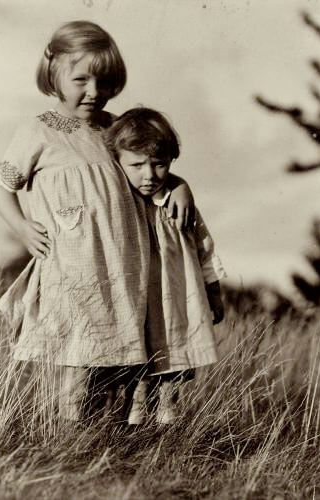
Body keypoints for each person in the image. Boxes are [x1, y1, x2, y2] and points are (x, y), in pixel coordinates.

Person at [0, 21, 195, 423]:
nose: (93, 92)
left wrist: (181, 184)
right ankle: (69, 438)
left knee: (120, 357)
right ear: (54, 74)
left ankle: (109, 440)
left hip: (123, 263)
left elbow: (150, 169)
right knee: (78, 354)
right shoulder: (39, 131)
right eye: (81, 79)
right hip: (73, 263)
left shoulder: (115, 128)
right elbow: (2, 187)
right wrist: (21, 227)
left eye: (103, 81)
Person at [105, 107, 226, 424]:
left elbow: (205, 250)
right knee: (138, 356)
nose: (149, 175)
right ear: (117, 163)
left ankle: (168, 419)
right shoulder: (120, 204)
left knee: (175, 352)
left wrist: (214, 293)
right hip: (136, 298)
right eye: (137, 165)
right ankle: (133, 420)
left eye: (159, 165)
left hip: (175, 298)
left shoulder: (178, 204)